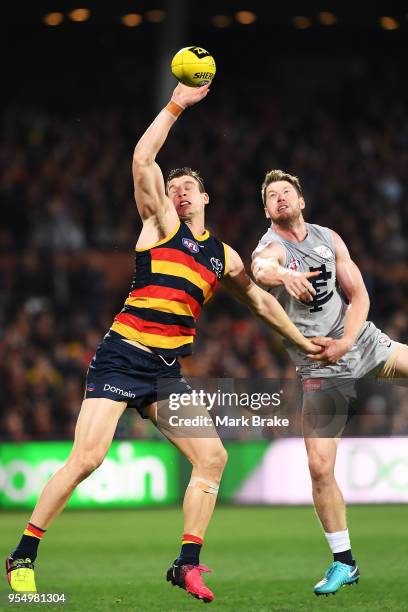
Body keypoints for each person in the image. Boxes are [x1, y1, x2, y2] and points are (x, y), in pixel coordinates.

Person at [6, 87, 319, 604]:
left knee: (212, 458)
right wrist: (176, 104)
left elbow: (261, 304)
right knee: (88, 458)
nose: (179, 192)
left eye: (189, 186)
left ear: (206, 198)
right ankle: (23, 554)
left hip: (165, 371)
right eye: (173, 186)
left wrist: (302, 340)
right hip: (122, 354)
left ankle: (186, 563)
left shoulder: (222, 255)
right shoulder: (158, 225)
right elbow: (142, 157)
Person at [252, 169, 408, 597]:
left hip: (359, 341)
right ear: (266, 210)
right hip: (319, 366)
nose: (280, 198)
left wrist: (346, 341)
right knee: (319, 467)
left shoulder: (328, 237)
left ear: (301, 201)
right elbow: (261, 268)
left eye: (287, 192)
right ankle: (344, 562)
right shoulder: (272, 247)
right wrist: (282, 276)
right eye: (272, 195)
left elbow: (360, 296)